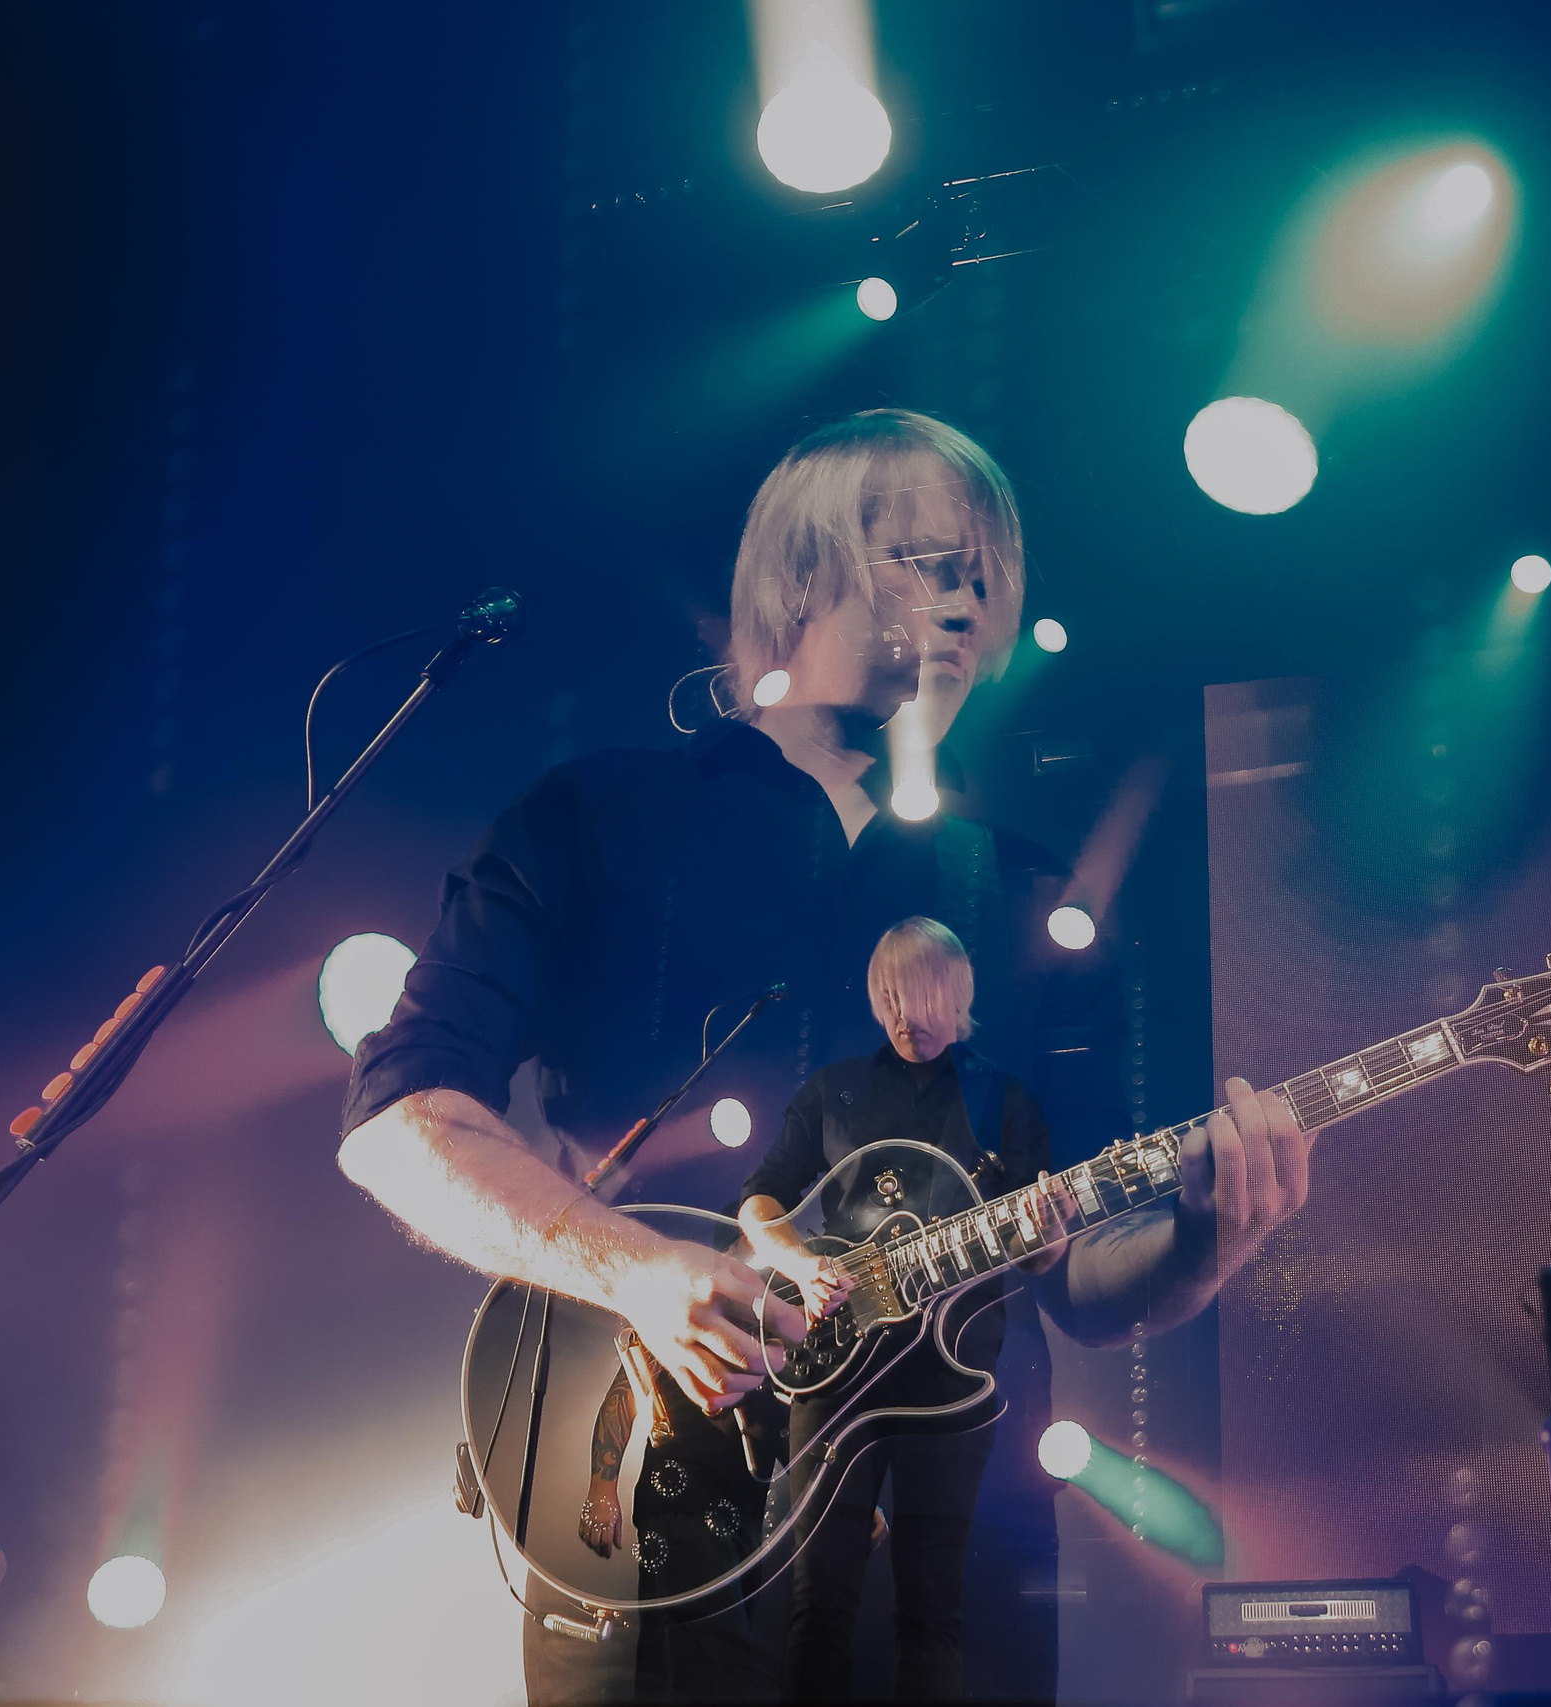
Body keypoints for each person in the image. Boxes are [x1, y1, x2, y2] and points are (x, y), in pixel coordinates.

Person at [336, 408, 1314, 1703]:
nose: (968, 607)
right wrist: (636, 1271)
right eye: (929, 562)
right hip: (652, 1496)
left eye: (986, 579)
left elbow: (1078, 1278)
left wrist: (1205, 1239)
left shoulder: (1027, 891)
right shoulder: (595, 816)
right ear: (801, 574)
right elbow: (399, 1115)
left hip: (954, 1528)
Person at [737, 916, 1075, 1701]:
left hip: (949, 1378)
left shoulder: (1003, 1101)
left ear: (957, 993)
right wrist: (797, 1262)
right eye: (886, 996)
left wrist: (1048, 1233)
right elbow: (760, 1202)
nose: (901, 1014)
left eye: (916, 995)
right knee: (817, 1602)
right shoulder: (836, 1089)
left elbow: (1040, 1255)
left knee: (933, 1607)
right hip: (834, 1366)